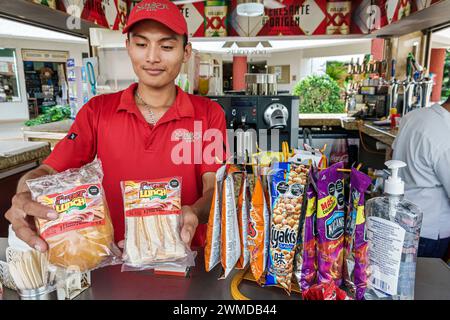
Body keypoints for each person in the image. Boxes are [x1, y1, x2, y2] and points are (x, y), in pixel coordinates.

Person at [4, 0, 227, 253]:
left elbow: (214, 187)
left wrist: (195, 212)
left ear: (186, 52)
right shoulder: (98, 111)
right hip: (113, 259)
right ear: (128, 47)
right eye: (141, 44)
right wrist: (25, 192)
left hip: (187, 257)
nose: (152, 57)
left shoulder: (208, 113)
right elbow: (46, 171)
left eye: (166, 46)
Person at [392, 95, 450, 259]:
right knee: (426, 282)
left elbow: (391, 153)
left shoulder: (414, 116)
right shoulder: (446, 137)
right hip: (429, 232)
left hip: (400, 219)